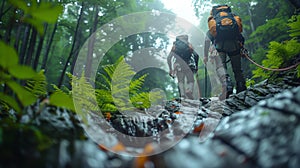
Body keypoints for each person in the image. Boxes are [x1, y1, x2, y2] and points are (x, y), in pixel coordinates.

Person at [203, 5, 247, 100]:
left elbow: (207, 40)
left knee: (220, 67)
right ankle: (241, 86)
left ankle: (227, 86)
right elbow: (240, 35)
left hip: (220, 47)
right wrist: (243, 47)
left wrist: (205, 56)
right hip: (234, 45)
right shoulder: (232, 20)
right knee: (237, 68)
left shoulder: (214, 22)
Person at [167, 35, 199, 99]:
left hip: (178, 65)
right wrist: (196, 66)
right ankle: (189, 90)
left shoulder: (175, 47)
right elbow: (196, 55)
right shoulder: (189, 45)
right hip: (189, 65)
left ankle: (182, 95)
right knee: (191, 80)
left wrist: (171, 69)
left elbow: (169, 58)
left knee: (180, 81)